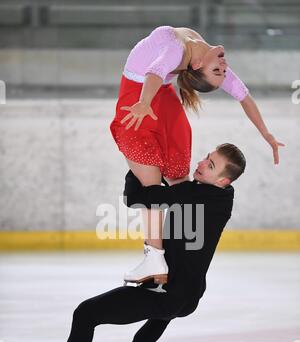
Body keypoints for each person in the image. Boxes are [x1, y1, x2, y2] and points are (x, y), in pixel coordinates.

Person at [22, 143, 246, 342]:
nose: (201, 164)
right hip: (185, 294)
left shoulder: (197, 194)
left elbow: (138, 199)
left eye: (210, 166)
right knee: (162, 317)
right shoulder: (222, 195)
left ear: (223, 180)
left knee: (86, 313)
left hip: (167, 294)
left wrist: (138, 165)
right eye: (206, 158)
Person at [110, 25, 284, 286]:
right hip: (148, 95)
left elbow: (156, 74)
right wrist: (145, 103)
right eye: (221, 71)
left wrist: (267, 134)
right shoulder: (189, 53)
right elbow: (155, 73)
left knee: (172, 182)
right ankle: (160, 257)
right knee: (157, 184)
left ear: (199, 64)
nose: (225, 68)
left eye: (219, 71)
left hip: (147, 95)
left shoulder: (183, 51)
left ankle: (172, 255)